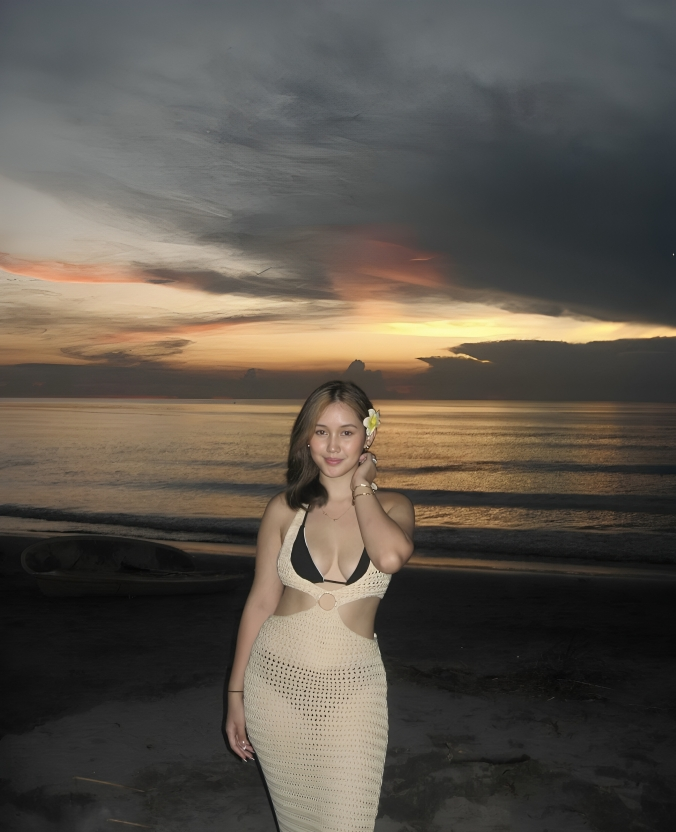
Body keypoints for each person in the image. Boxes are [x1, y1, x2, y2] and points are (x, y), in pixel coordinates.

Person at [225, 380, 415, 832]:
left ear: (368, 434)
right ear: (306, 438)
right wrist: (235, 695)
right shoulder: (284, 510)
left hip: (353, 692)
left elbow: (390, 557)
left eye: (347, 432)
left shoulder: (393, 507)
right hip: (274, 684)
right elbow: (261, 601)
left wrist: (362, 486)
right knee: (296, 822)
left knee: (349, 821)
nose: (333, 446)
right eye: (321, 431)